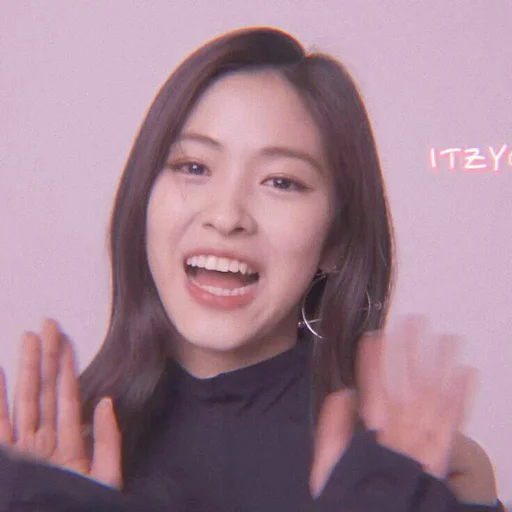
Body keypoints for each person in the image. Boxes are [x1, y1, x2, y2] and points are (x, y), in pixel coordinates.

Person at [0, 27, 503, 511]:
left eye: (281, 181)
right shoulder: (49, 461)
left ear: (336, 239)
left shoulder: (412, 471)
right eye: (193, 167)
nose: (226, 216)